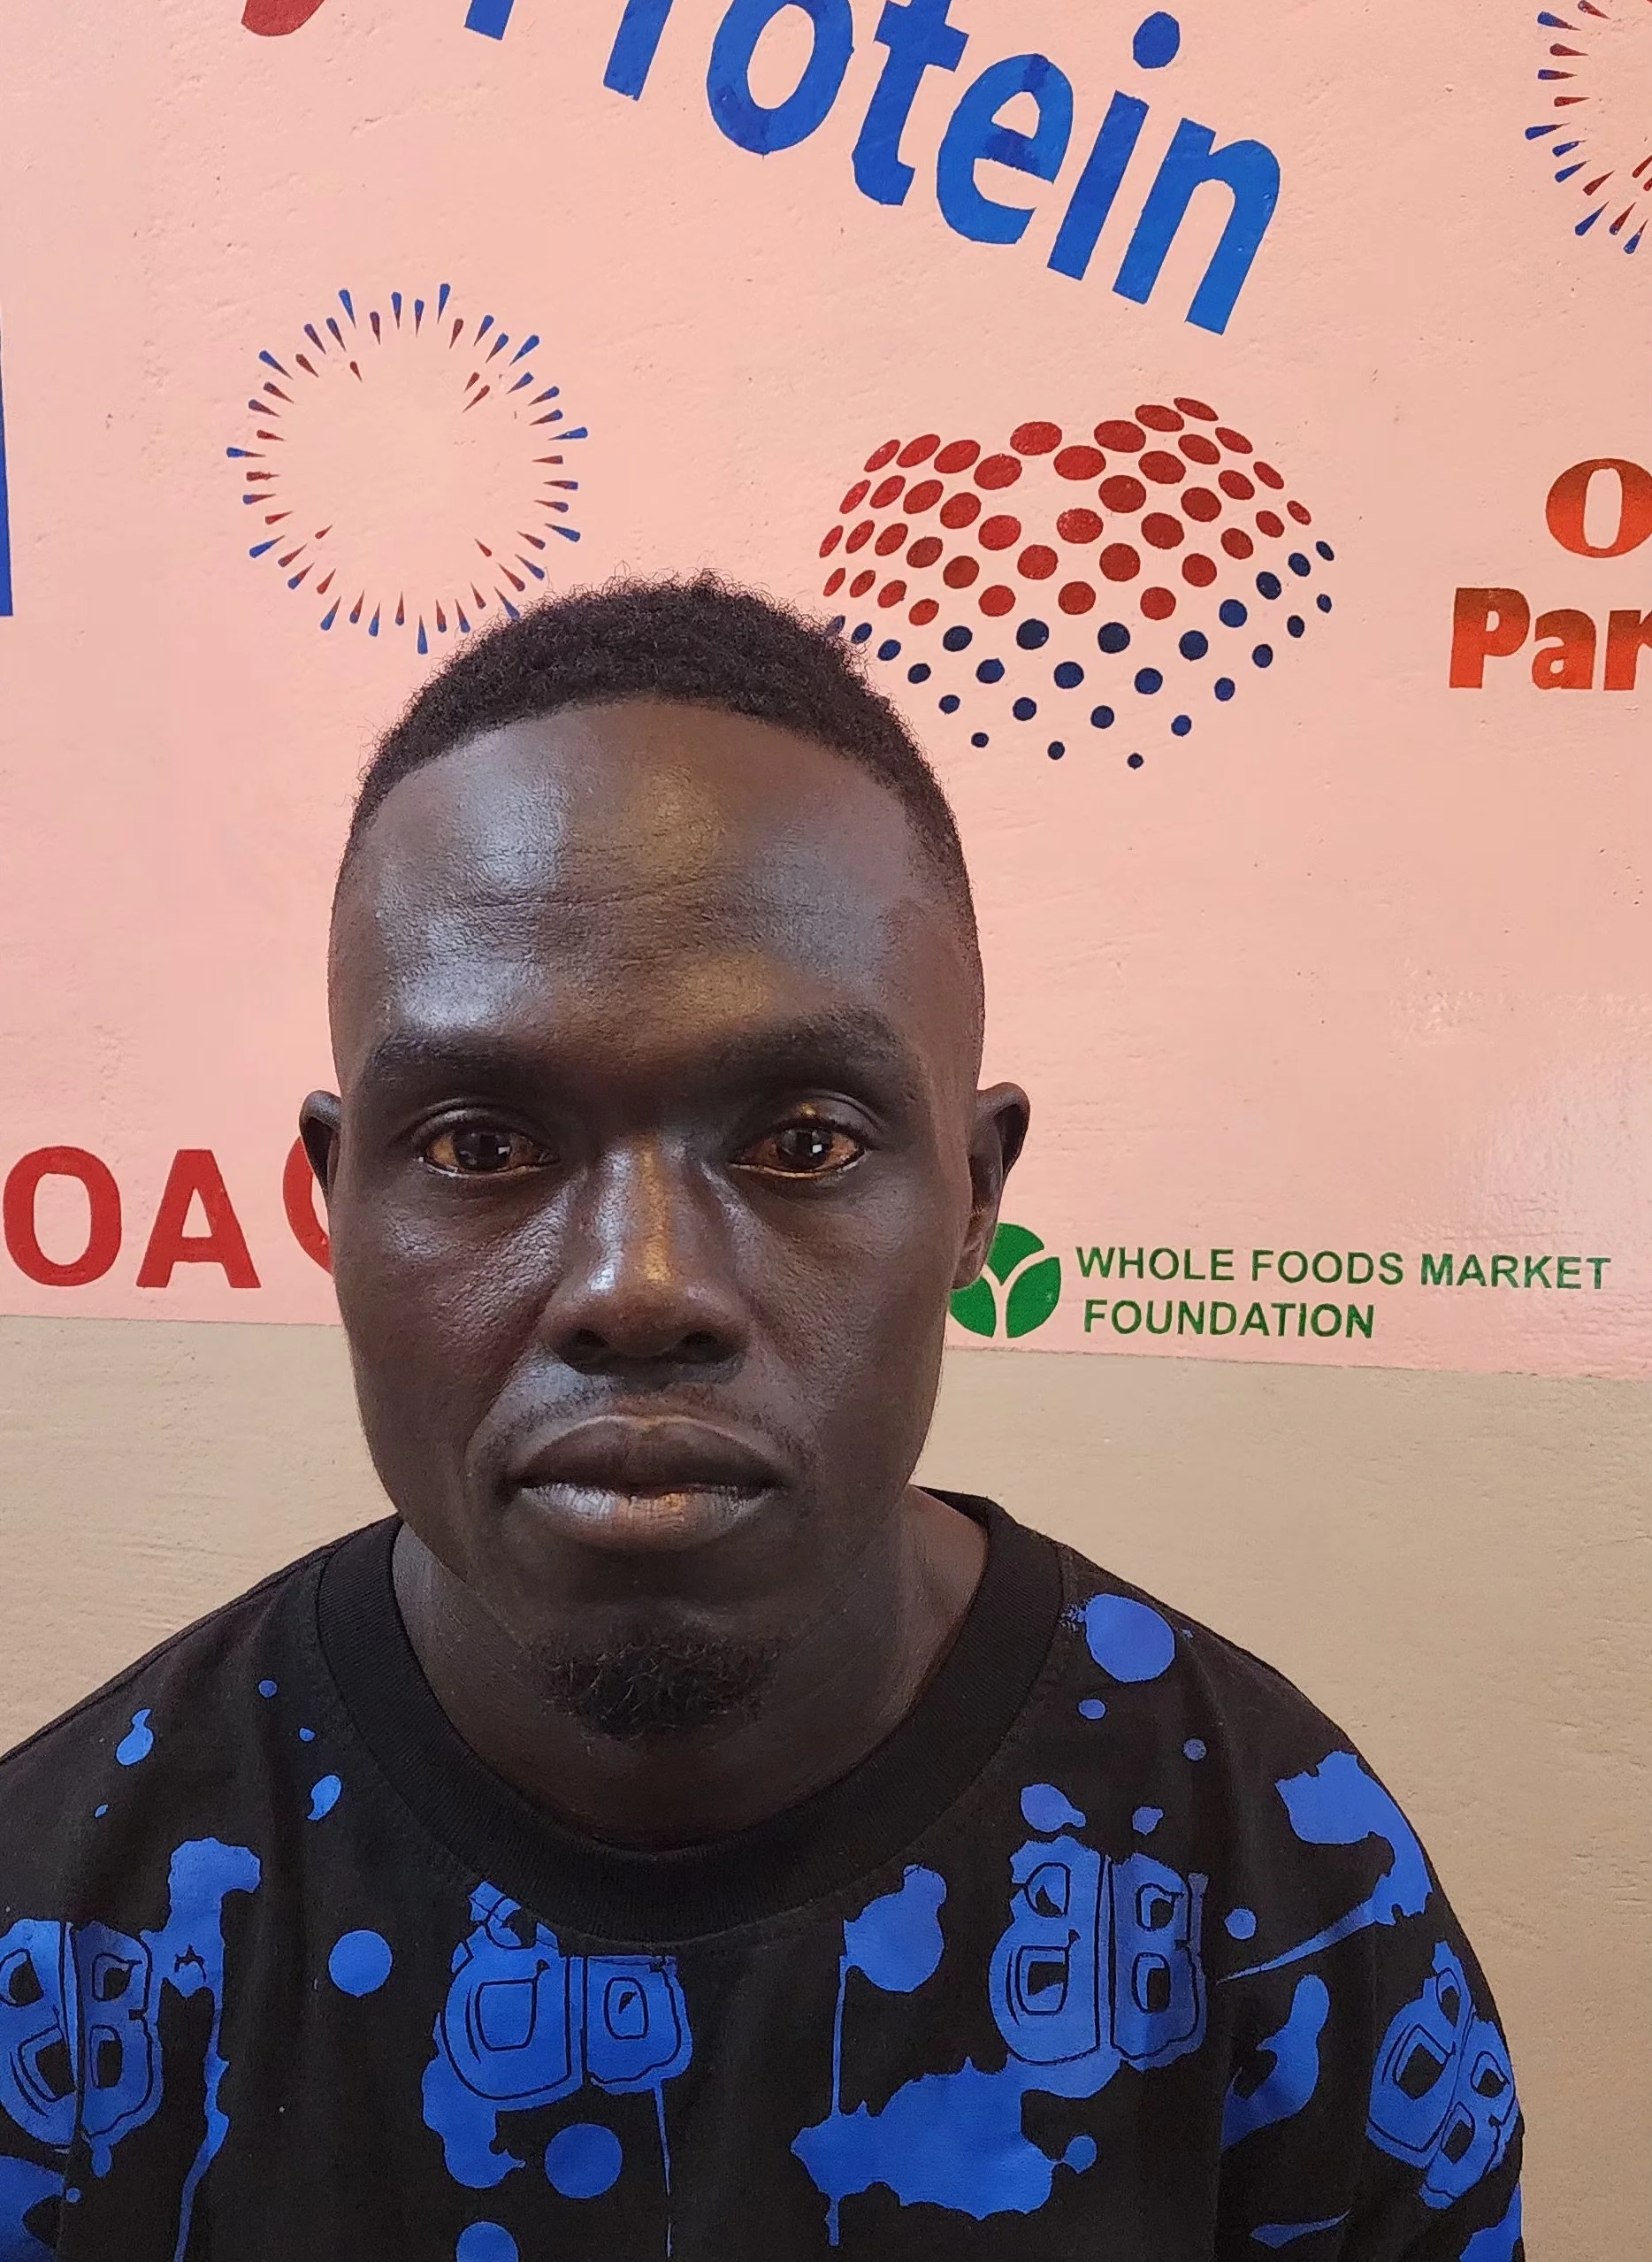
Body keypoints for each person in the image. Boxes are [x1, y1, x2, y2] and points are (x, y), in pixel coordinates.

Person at [0, 579, 1522, 2260]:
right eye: (481, 1146)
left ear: (972, 1198)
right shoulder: (66, 1934)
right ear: (335, 1195)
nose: (640, 1290)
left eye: (800, 1139)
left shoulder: (1277, 1891)